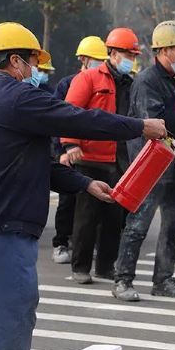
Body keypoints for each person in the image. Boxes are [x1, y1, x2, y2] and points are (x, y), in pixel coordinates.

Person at [0, 22, 166, 350]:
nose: (35, 69)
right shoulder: (18, 96)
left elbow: (31, 164)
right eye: (31, 60)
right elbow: (81, 119)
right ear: (14, 61)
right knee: (10, 317)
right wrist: (140, 126)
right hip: (1, 227)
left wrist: (83, 183)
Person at [112, 20, 175, 302]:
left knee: (174, 225)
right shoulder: (147, 81)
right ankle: (122, 280)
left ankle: (164, 279)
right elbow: (157, 123)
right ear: (165, 50)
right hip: (151, 164)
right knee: (139, 224)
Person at [62, 27, 141, 284]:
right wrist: (70, 144)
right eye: (127, 53)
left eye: (133, 54)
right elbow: (69, 112)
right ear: (113, 53)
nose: (131, 58)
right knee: (87, 216)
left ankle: (106, 266)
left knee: (113, 217)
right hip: (90, 158)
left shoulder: (132, 84)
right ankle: (80, 267)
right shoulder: (89, 79)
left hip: (120, 160)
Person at [51, 36, 109, 264]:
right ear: (83, 59)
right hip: (69, 152)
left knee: (91, 203)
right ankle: (61, 243)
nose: (98, 64)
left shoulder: (104, 83)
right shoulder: (66, 84)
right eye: (95, 60)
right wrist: (63, 149)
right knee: (67, 201)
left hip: (91, 155)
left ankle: (83, 243)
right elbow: (56, 119)